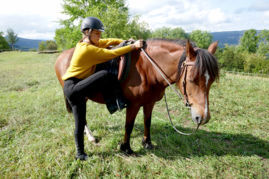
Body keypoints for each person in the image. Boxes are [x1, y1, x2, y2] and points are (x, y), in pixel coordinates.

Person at [62, 17, 143, 160]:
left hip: (79, 85)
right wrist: (133, 46)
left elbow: (108, 41)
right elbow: (110, 54)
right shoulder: (87, 49)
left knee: (80, 123)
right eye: (97, 33)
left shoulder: (88, 43)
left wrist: (124, 41)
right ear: (87, 32)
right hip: (73, 88)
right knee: (105, 74)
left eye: (100, 33)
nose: (100, 36)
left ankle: (80, 154)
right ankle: (116, 102)